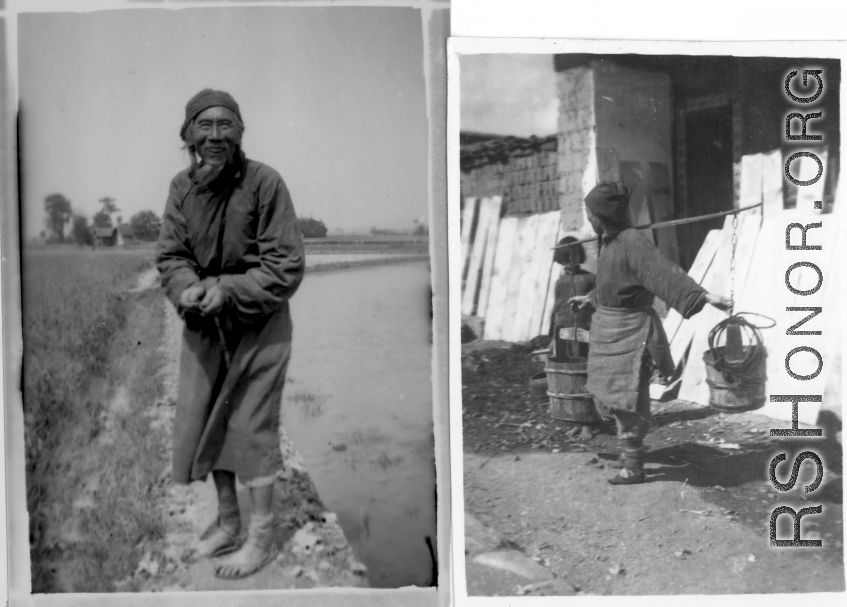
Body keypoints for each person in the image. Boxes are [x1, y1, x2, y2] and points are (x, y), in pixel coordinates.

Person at [157, 89, 305, 578]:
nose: (215, 135)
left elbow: (286, 265)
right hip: (205, 325)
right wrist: (187, 290)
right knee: (209, 421)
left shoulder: (265, 183)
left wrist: (227, 288)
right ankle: (227, 523)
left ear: (241, 132)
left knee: (252, 427)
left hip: (259, 324)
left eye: (226, 125)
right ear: (188, 135)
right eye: (205, 126)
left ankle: (260, 539)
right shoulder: (181, 188)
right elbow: (172, 257)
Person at [569, 181, 731, 485]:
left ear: (599, 215)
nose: (587, 218)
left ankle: (634, 466)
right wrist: (589, 299)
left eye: (588, 212)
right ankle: (630, 454)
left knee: (629, 397)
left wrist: (704, 295)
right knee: (615, 397)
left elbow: (662, 271)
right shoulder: (609, 242)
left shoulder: (632, 242)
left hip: (630, 335)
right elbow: (612, 286)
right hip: (608, 332)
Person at [549, 235, 597, 441]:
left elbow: (597, 304)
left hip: (585, 332)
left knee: (585, 374)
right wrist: (552, 336)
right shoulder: (559, 282)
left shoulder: (590, 279)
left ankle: (590, 423)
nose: (569, 263)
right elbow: (556, 309)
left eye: (572, 258)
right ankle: (578, 421)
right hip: (563, 334)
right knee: (570, 376)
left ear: (579, 257)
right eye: (565, 259)